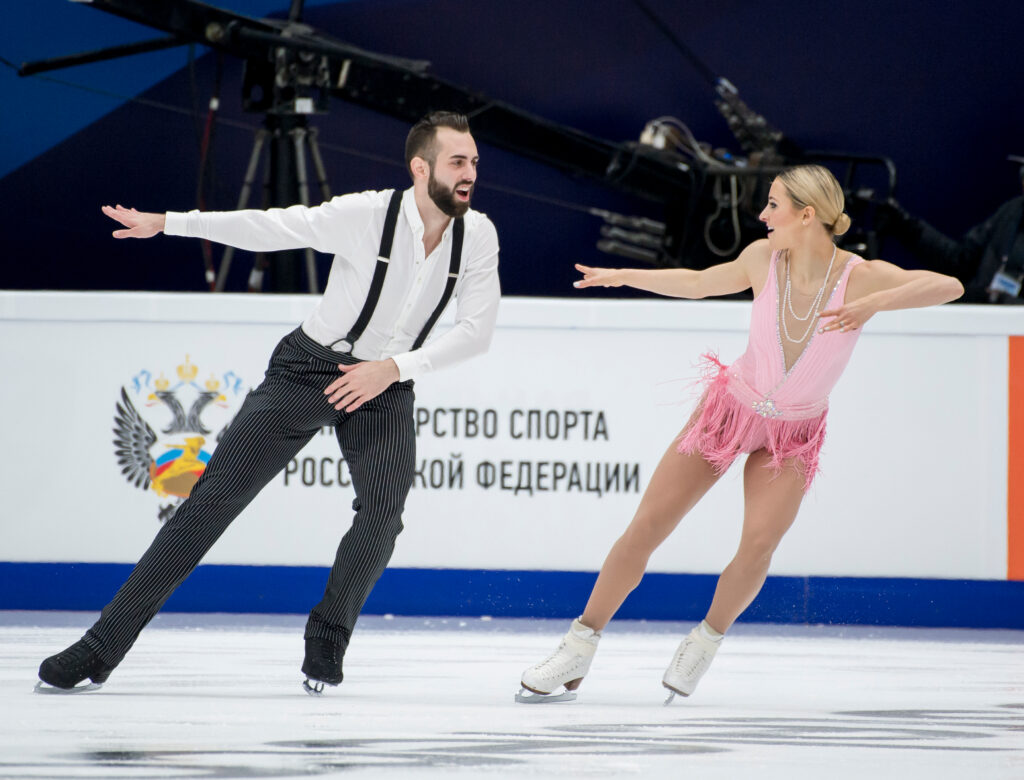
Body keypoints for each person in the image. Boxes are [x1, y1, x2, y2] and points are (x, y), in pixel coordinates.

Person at [37, 111, 501, 695]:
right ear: (420, 167)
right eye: (459, 162)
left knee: (384, 515)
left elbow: (476, 331)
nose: (470, 174)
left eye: (475, 163)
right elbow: (271, 227)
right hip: (308, 370)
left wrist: (392, 369)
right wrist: (170, 223)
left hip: (386, 383)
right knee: (209, 504)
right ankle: (99, 648)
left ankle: (328, 638)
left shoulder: (477, 234)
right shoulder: (365, 215)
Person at [517, 165, 963, 704]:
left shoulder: (858, 274)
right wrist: (622, 275)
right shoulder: (762, 259)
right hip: (730, 411)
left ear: (807, 214)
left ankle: (703, 643)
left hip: (794, 432)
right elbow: (701, 282)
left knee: (758, 544)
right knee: (649, 525)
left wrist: (874, 302)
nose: (762, 215)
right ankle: (578, 644)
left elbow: (950, 285)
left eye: (773, 205)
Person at [878, 155, 1024, 303]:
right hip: (979, 318)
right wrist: (907, 226)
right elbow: (960, 261)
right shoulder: (1012, 211)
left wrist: (1008, 303)